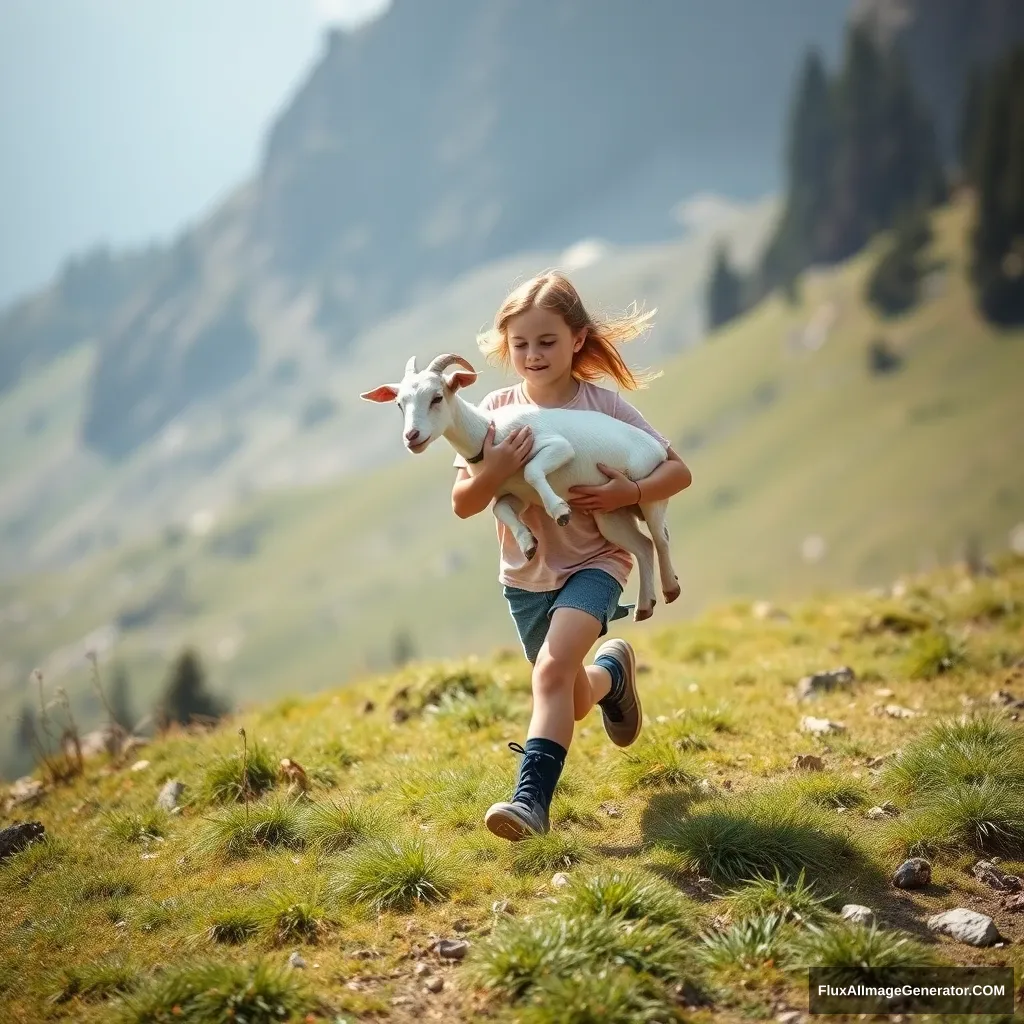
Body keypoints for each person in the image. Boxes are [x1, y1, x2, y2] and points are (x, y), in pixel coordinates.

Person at [451, 271, 692, 841]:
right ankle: (612, 675)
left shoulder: (603, 408)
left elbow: (677, 469)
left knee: (552, 674)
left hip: (597, 561)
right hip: (526, 577)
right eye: (520, 344)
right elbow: (464, 503)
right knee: (569, 692)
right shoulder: (492, 413)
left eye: (547, 341)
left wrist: (627, 495)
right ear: (505, 346)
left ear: (577, 340)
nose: (533, 355)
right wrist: (501, 468)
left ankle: (529, 802)